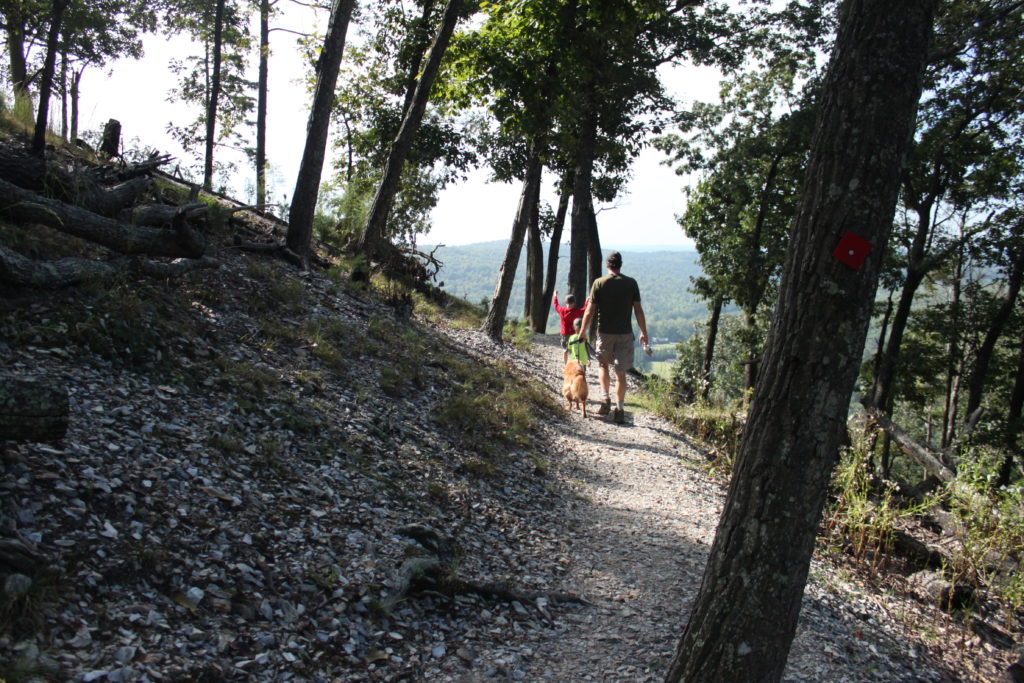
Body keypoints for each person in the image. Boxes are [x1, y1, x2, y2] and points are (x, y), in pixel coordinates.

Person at [578, 251, 649, 424]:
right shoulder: (631, 283)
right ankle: (620, 408)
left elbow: (589, 311)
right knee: (621, 373)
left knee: (603, 365)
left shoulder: (599, 283)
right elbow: (638, 310)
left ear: (607, 265)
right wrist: (643, 332)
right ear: (620, 264)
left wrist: (582, 331)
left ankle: (605, 400)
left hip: (604, 332)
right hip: (625, 334)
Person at [552, 290, 588, 364]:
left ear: (565, 303)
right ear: (574, 303)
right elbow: (584, 309)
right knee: (573, 351)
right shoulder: (576, 312)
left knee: (565, 350)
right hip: (573, 335)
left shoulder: (562, 310)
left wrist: (555, 295)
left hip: (564, 334)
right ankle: (574, 364)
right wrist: (587, 301)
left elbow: (556, 305)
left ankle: (566, 365)